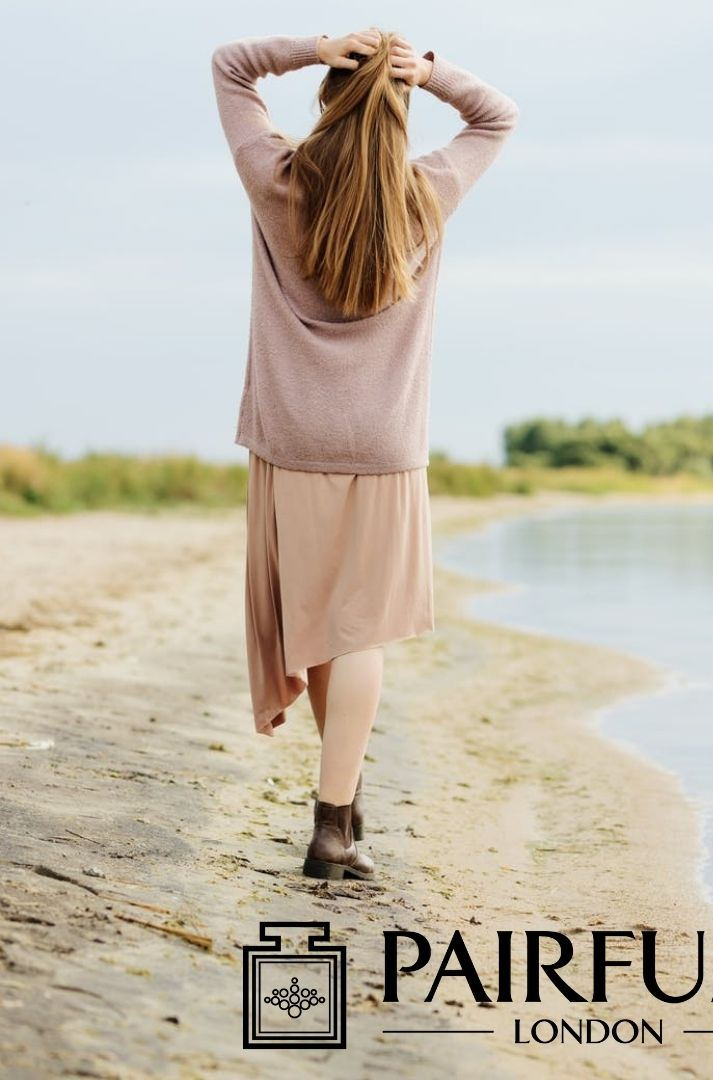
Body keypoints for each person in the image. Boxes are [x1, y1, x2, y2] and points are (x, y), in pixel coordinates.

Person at [210, 29, 519, 880]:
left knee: (321, 623)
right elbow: (497, 118)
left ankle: (341, 811)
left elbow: (230, 65)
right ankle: (334, 819)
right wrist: (433, 71)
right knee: (359, 628)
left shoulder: (277, 180)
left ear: (327, 100)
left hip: (292, 434)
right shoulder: (426, 194)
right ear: (401, 113)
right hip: (383, 441)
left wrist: (314, 47)